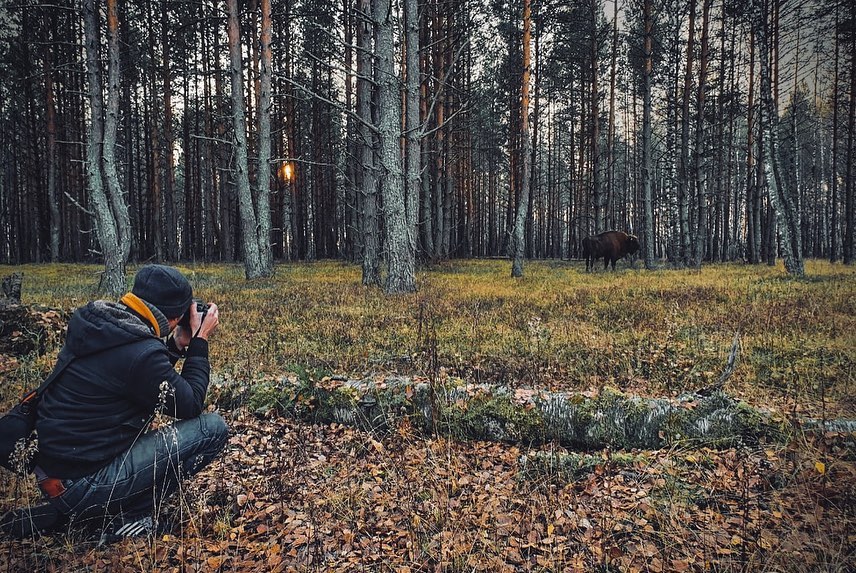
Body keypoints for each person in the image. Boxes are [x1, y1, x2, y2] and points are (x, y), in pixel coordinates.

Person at [0, 264, 227, 544]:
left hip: (57, 477)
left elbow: (140, 377)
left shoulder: (103, 325)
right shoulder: (140, 352)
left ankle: (75, 512)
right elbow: (189, 404)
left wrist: (177, 344)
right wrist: (200, 341)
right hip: (84, 483)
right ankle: (130, 518)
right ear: (174, 317)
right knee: (213, 429)